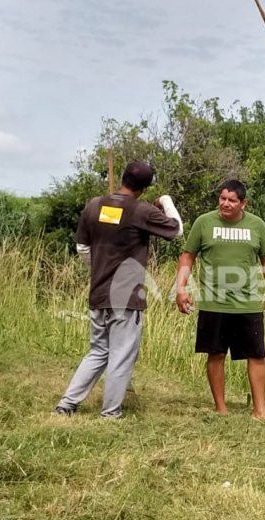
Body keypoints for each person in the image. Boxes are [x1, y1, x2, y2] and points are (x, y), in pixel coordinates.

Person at [54, 161, 182, 418]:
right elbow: (176, 229)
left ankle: (67, 404)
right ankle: (111, 413)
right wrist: (166, 201)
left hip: (99, 292)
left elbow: (82, 249)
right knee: (122, 356)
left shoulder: (94, 205)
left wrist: (101, 270)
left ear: (123, 178)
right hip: (126, 297)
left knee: (99, 351)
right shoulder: (141, 210)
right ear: (144, 188)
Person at [175, 179, 265, 419]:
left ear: (243, 203)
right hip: (213, 302)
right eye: (223, 198)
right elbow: (188, 256)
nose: (226, 204)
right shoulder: (204, 223)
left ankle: (259, 410)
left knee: (256, 355)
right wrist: (181, 288)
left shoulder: (257, 225)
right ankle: (220, 408)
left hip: (248, 302)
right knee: (216, 353)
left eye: (232, 200)